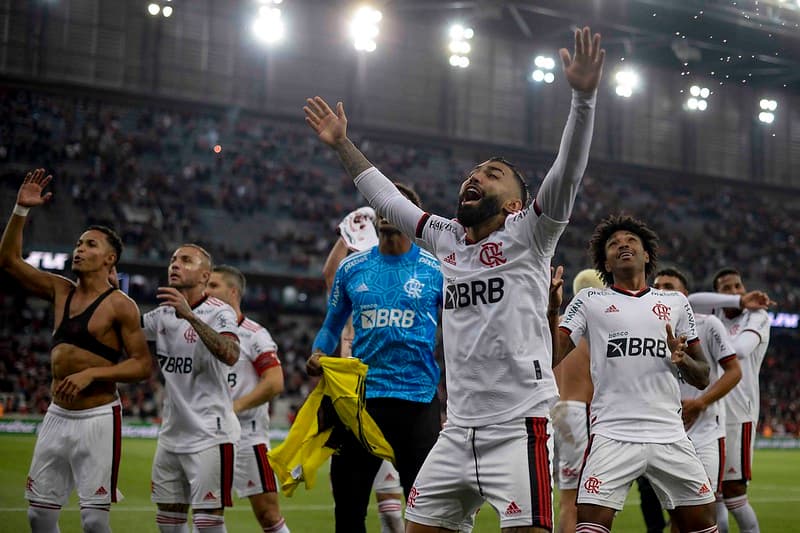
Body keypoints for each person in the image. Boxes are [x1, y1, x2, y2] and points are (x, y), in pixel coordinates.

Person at [304, 25, 605, 532]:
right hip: (455, 429)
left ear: (514, 202)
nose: (475, 177)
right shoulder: (446, 238)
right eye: (472, 172)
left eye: (491, 174)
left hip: (519, 427)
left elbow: (568, 171)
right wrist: (342, 144)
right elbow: (388, 201)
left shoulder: (531, 232)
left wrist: (583, 96)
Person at [0, 169, 152, 533]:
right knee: (39, 516)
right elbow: (9, 261)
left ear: (109, 259)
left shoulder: (121, 305)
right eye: (79, 243)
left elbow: (142, 365)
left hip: (98, 417)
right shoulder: (60, 290)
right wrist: (20, 210)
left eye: (90, 245)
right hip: (56, 414)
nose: (79, 249)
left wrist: (92, 373)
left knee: (95, 521)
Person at [556, 214, 717, 533]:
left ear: (646, 255)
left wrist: (682, 359)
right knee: (589, 524)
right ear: (606, 261)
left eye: (631, 241)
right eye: (614, 244)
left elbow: (703, 376)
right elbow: (551, 355)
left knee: (700, 525)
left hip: (669, 434)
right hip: (612, 433)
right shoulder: (590, 300)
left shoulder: (675, 302)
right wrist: (550, 310)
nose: (623, 245)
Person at [306, 184, 444, 533]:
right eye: (380, 205)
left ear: (412, 217)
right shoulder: (352, 268)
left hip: (418, 400)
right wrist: (318, 352)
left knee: (425, 511)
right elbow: (332, 324)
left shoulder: (437, 270)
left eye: (395, 205)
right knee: (349, 512)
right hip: (360, 402)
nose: (384, 212)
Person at [142, 244, 241, 533]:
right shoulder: (161, 315)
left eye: (186, 260)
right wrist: (112, 295)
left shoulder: (218, 311)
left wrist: (190, 316)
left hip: (211, 433)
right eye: (173, 259)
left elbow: (231, 354)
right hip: (171, 434)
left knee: (208, 524)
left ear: (204, 276)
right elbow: (123, 327)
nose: (175, 264)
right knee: (168, 523)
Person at [321, 206, 405, 533]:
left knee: (392, 510)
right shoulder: (350, 292)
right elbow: (331, 274)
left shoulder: (393, 292)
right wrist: (347, 234)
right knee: (351, 504)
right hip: (349, 398)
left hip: (387, 395)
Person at [654, 267, 743, 532]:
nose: (661, 291)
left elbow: (734, 371)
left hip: (705, 430)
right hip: (667, 431)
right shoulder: (647, 327)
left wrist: (701, 403)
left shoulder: (708, 324)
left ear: (685, 296)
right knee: (675, 513)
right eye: (657, 285)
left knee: (704, 511)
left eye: (669, 287)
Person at [205, 265, 290, 533]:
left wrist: (234, 408)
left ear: (233, 292)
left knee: (267, 514)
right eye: (206, 286)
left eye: (214, 286)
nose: (207, 292)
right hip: (208, 435)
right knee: (208, 513)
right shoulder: (202, 331)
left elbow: (275, 382)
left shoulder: (254, 334)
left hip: (247, 439)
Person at [687, 269, 772, 533]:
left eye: (738, 286)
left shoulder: (757, 316)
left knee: (734, 493)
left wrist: (716, 338)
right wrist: (737, 302)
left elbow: (741, 350)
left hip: (738, 414)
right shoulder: (716, 316)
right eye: (727, 288)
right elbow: (690, 300)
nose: (735, 291)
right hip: (711, 412)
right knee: (713, 497)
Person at [549, 268, 604, 533]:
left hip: (553, 411)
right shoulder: (593, 329)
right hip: (578, 413)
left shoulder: (558, 324)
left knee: (560, 498)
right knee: (577, 502)